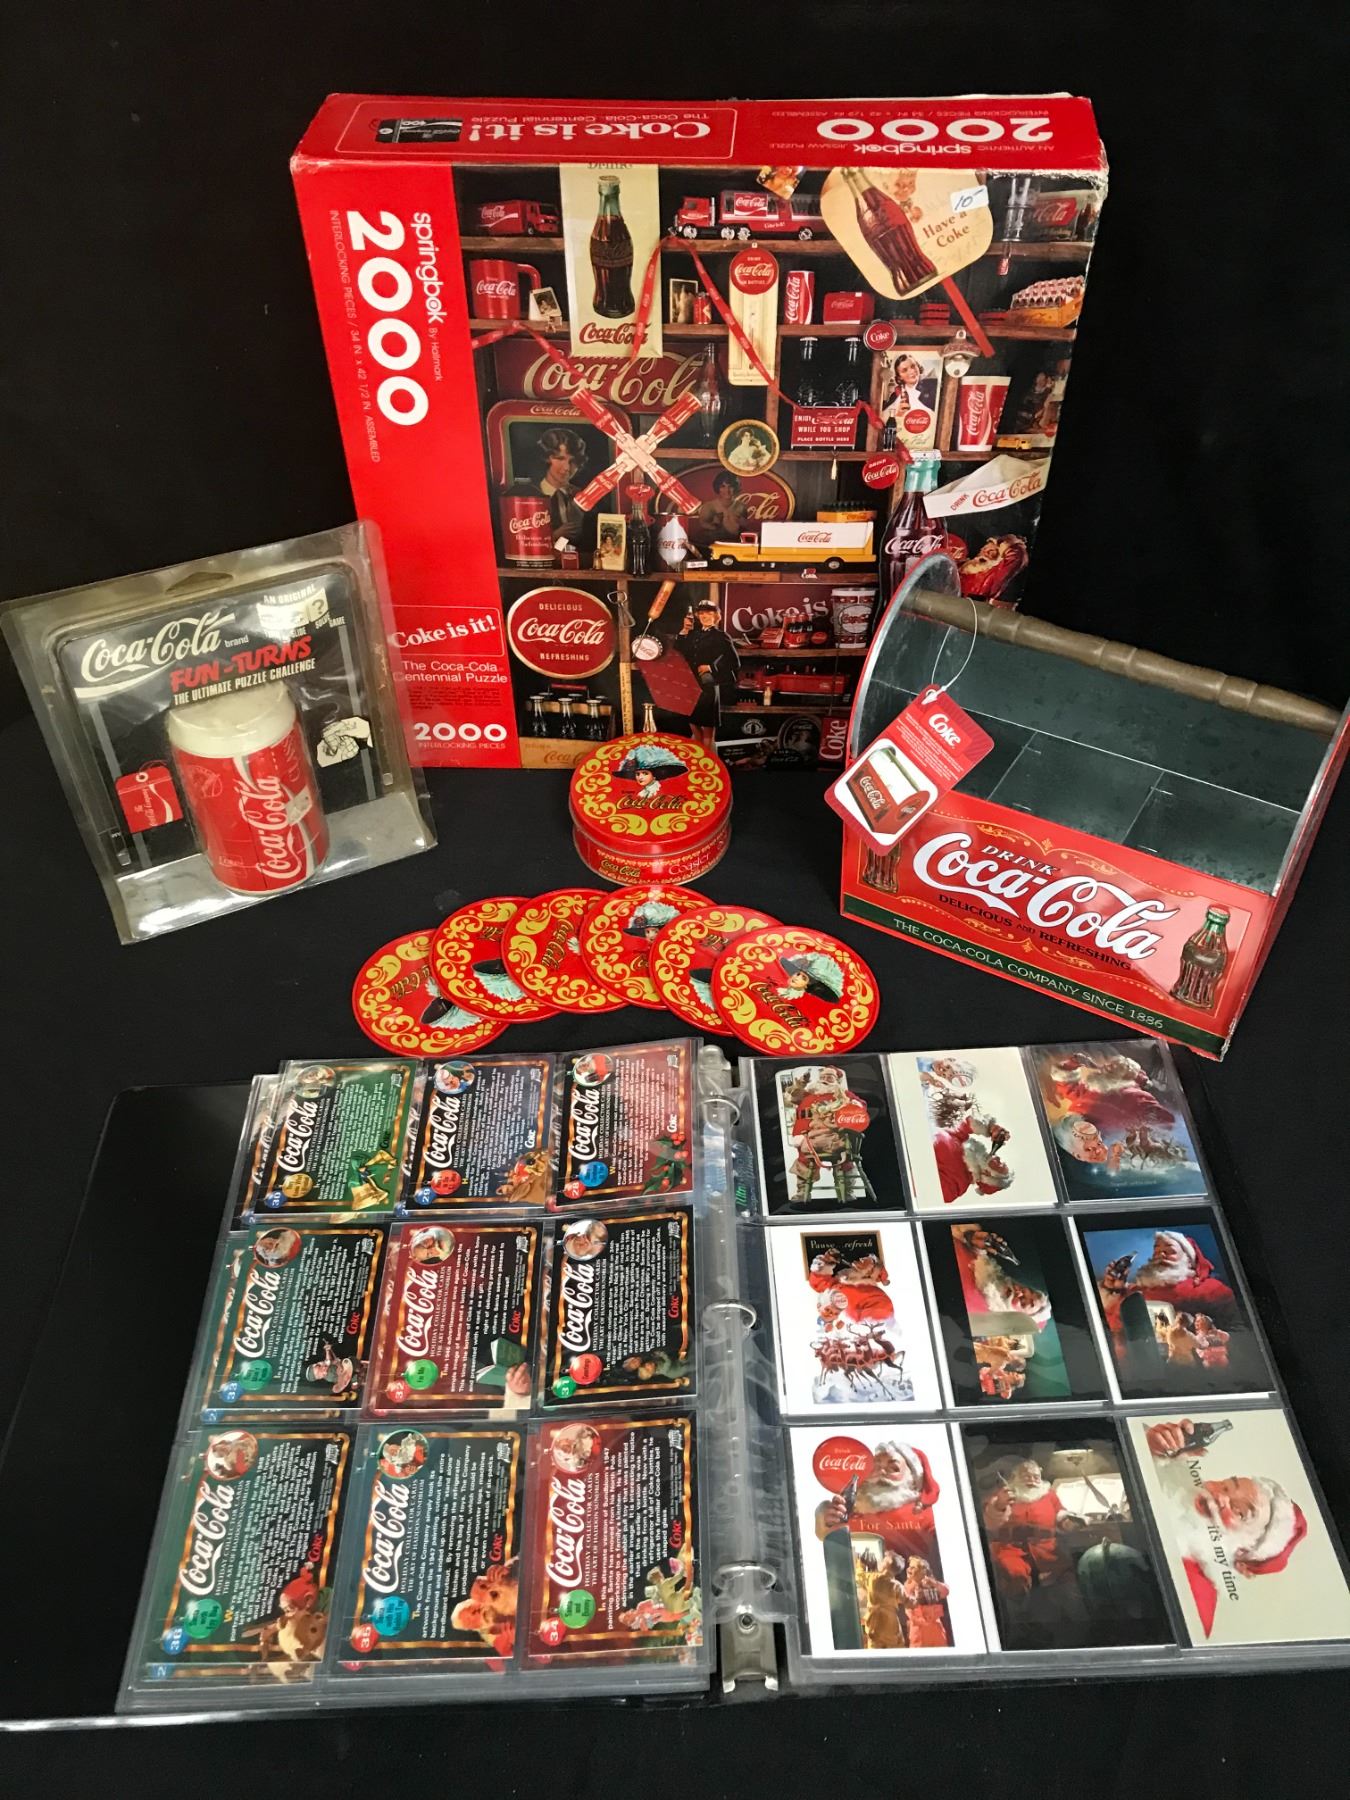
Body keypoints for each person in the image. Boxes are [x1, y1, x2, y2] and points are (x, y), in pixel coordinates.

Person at [1143, 1419, 1308, 1638]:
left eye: (1239, 1512)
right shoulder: (1167, 1468)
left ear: (1242, 1552)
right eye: (1227, 1485)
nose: (1219, 1497)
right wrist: (1146, 1446)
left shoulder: (1194, 1606)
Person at [813, 1440, 939, 1561]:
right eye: (875, 1467)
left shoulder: (923, 1517)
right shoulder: (855, 1511)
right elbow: (832, 1543)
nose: (881, 1472)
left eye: (894, 1468)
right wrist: (825, 1521)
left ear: (913, 1480)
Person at [1097, 1230, 1237, 1332]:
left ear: (1188, 1259)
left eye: (1170, 1251)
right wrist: (1112, 1289)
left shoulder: (1213, 1290)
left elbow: (1234, 1330)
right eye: (1156, 1251)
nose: (1161, 1255)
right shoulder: (1134, 1291)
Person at [982, 1457, 1073, 1595]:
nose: (1032, 1481)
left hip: (1047, 1549)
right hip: (1011, 1549)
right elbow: (989, 1520)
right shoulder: (1005, 1495)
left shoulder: (1049, 1495)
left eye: (1036, 1477)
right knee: (1015, 1576)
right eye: (1026, 1476)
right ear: (1015, 1477)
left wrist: (1068, 1522)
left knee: (1066, 1579)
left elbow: (1060, 1514)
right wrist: (1000, 1505)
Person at [675, 596, 740, 750]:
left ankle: (707, 756)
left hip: (708, 685)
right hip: (691, 684)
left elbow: (734, 662)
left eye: (709, 613)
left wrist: (711, 667)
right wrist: (684, 630)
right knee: (693, 722)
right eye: (702, 613)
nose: (705, 616)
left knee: (707, 725)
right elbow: (678, 652)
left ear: (716, 616)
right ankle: (700, 755)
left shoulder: (721, 636)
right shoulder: (693, 634)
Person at [533, 426, 587, 547]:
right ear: (546, 458)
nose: (567, 467)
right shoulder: (530, 496)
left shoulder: (583, 495)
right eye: (560, 458)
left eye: (573, 461)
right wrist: (554, 536)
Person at [900, 1555, 950, 1647]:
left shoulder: (931, 1584)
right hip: (918, 1631)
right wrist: (916, 1582)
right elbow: (907, 1602)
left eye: (913, 1567)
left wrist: (933, 1583)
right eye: (909, 1567)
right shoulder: (907, 1586)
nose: (908, 1569)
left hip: (935, 1631)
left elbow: (945, 1591)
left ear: (922, 1571)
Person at [690, 470, 750, 547]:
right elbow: (703, 524)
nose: (727, 490)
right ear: (718, 488)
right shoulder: (709, 506)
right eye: (723, 486)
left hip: (735, 545)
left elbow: (744, 527)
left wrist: (739, 522)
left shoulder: (741, 506)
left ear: (736, 487)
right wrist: (714, 525)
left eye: (730, 486)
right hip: (713, 544)